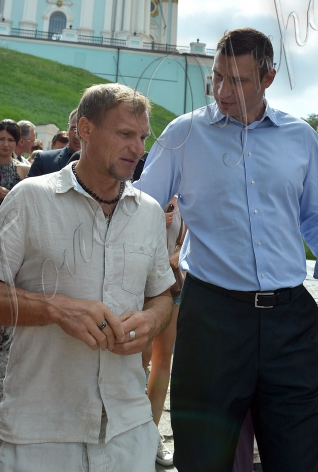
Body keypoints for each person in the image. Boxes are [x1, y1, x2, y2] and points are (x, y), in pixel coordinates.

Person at [135, 27, 318, 472]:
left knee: (298, 457)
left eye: (237, 81)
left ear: (268, 78)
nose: (222, 91)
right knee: (204, 460)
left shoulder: (299, 137)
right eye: (217, 78)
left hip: (289, 323)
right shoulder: (184, 134)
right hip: (212, 321)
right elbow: (140, 208)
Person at [0, 83, 176, 472]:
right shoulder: (30, 198)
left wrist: (151, 320)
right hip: (41, 430)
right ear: (86, 129)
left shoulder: (148, 212)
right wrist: (55, 309)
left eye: (142, 137)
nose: (138, 148)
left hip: (128, 431)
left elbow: (162, 295)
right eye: (125, 134)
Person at [142, 194, 186, 467]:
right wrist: (155, 219)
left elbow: (194, 240)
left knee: (162, 360)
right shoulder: (141, 191)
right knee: (137, 362)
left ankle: (150, 433)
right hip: (136, 288)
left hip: (171, 287)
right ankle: (127, 429)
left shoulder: (186, 200)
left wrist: (178, 255)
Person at [27, 109, 82, 177]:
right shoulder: (44, 160)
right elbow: (28, 187)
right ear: (68, 128)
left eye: (83, 130)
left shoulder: (97, 165)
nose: (77, 136)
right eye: (74, 129)